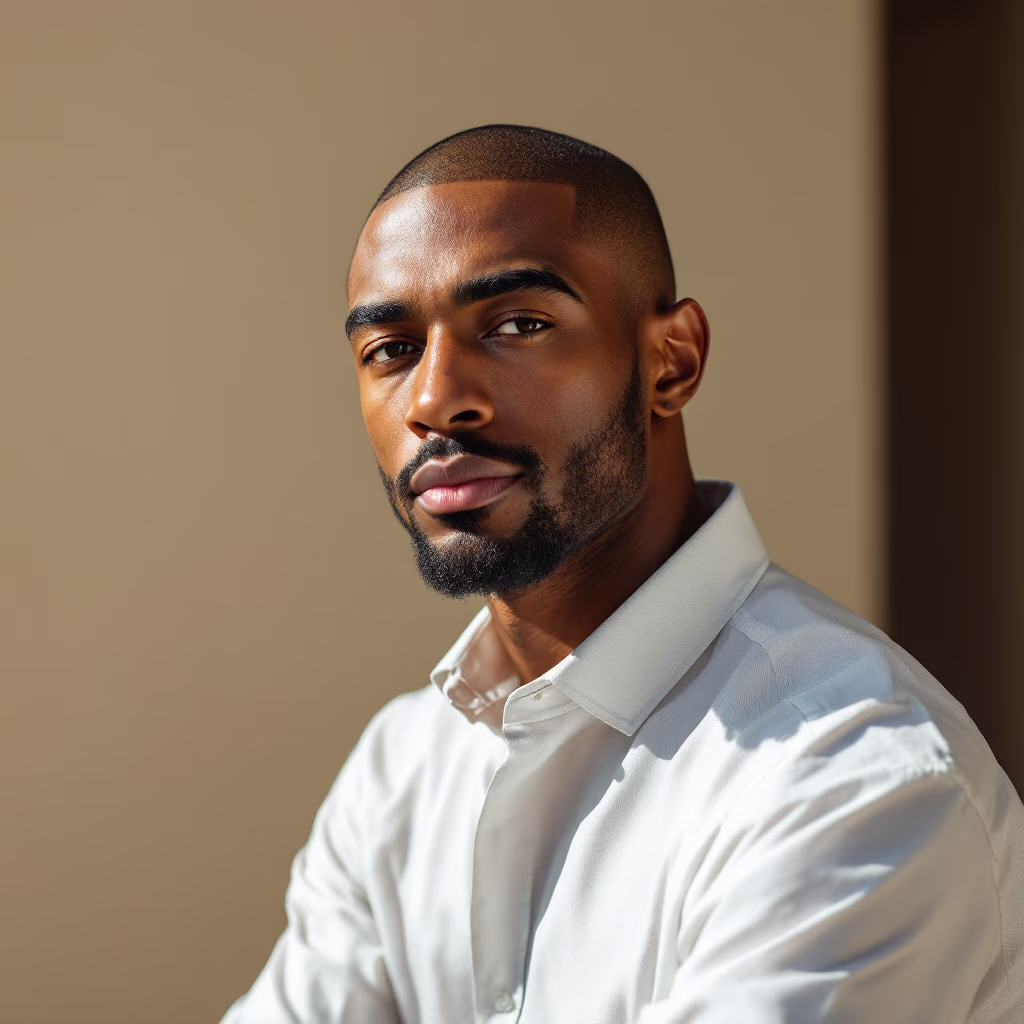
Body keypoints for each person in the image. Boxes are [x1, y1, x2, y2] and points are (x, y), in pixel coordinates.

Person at [222, 126, 1023, 1024]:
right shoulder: (402, 772)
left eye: (518, 324)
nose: (435, 399)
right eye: (391, 350)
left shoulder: (849, 775)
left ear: (671, 361)